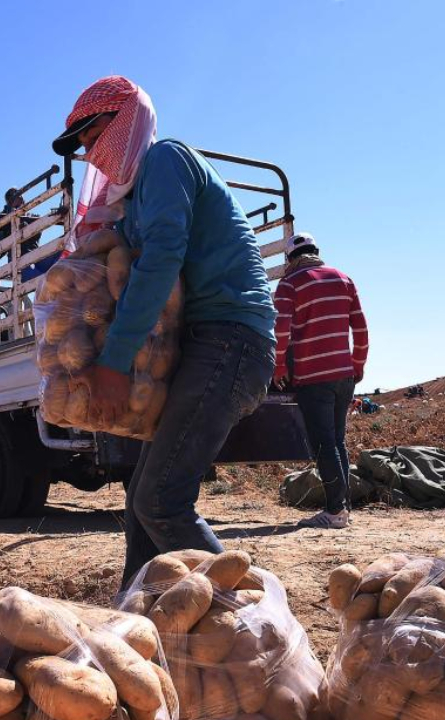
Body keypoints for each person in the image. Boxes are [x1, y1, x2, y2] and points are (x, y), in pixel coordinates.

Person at [51, 76, 278, 585]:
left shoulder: (164, 161)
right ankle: (138, 621)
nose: (91, 155)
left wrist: (113, 361)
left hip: (230, 339)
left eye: (93, 138)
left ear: (127, 120)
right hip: (210, 342)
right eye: (84, 147)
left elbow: (160, 261)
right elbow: (134, 249)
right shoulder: (138, 197)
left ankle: (255, 624)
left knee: (161, 500)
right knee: (140, 503)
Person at [271, 233, 369, 529]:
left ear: (290, 259)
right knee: (337, 440)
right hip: (344, 374)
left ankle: (335, 512)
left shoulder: (289, 284)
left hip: (313, 376)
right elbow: (361, 328)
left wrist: (277, 367)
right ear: (317, 252)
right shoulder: (343, 279)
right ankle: (342, 507)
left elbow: (280, 331)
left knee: (324, 444)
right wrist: (358, 364)